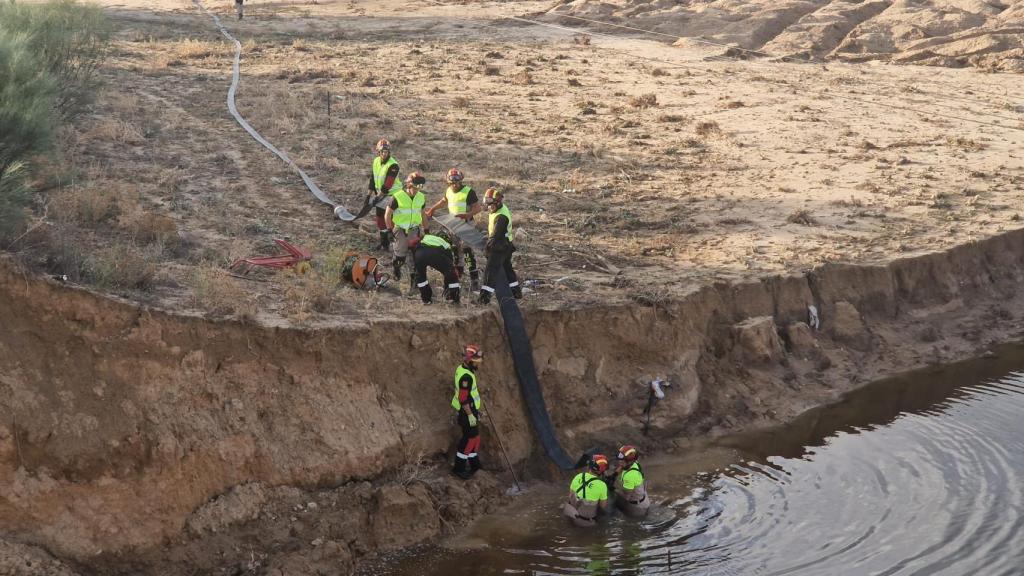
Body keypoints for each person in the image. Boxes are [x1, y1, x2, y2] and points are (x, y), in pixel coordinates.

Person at [425, 168, 481, 291]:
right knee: (455, 250)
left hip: (466, 224)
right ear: (448, 182)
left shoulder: (468, 192)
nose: (455, 185)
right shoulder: (449, 191)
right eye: (452, 183)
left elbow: (477, 208)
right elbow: (444, 201)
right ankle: (458, 275)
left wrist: (467, 215)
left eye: (457, 182)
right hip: (453, 224)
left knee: (467, 250)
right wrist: (432, 209)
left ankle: (474, 278)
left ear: (461, 180)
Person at [384, 171, 427, 289]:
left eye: (419, 187)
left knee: (415, 257)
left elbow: (423, 215)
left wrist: (427, 230)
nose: (416, 190)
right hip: (400, 230)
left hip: (414, 230)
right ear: (409, 184)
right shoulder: (397, 197)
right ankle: (396, 268)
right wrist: (389, 230)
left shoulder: (421, 197)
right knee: (400, 257)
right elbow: (387, 215)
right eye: (415, 187)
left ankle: (414, 283)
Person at [478, 188, 521, 305]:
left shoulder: (501, 217)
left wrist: (487, 249)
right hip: (507, 244)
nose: (489, 207)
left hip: (500, 246)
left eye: (491, 205)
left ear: (497, 203)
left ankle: (484, 298)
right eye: (488, 205)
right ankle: (516, 292)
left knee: (490, 271)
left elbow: (496, 236)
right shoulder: (499, 209)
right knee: (507, 269)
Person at [451, 344, 484, 479]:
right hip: (466, 412)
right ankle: (459, 468)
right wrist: (470, 415)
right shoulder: (466, 377)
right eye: (476, 361)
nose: (478, 364)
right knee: (469, 439)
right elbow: (463, 398)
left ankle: (475, 465)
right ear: (469, 360)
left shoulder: (463, 369)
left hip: (470, 410)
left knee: (475, 438)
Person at [408, 230, 461, 305]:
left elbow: (414, 243)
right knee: (452, 275)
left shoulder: (427, 237)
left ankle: (426, 299)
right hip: (436, 254)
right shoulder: (446, 244)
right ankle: (454, 298)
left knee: (421, 276)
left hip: (420, 253)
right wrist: (447, 286)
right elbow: (449, 270)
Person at [368, 139, 402, 251]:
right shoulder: (376, 161)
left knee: (390, 218)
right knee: (380, 218)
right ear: (378, 152)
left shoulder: (393, 165)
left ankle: (395, 243)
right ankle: (384, 243)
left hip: (393, 195)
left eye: (386, 151)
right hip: (381, 194)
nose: (384, 154)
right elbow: (373, 179)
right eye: (382, 151)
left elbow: (388, 185)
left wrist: (377, 197)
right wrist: (369, 195)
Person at [563, 455, 609, 527]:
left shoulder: (578, 476)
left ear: (589, 466)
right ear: (602, 471)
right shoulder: (602, 485)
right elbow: (602, 506)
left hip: (571, 517)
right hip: (587, 523)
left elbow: (570, 495)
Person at [613, 445, 650, 517]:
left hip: (638, 508)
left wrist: (614, 489)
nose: (619, 462)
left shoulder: (629, 476)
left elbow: (626, 497)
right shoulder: (635, 463)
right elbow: (622, 467)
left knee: (613, 497)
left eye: (622, 461)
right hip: (643, 499)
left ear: (629, 462)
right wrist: (614, 474)